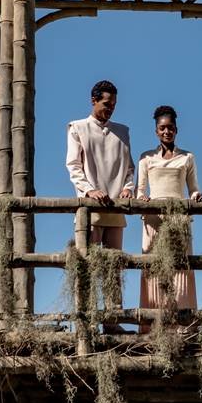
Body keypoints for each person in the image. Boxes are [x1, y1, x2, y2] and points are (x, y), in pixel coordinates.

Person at [66, 80, 135, 331]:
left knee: (114, 267)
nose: (111, 109)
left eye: (114, 105)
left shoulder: (123, 131)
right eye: (107, 104)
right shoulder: (77, 128)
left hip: (116, 207)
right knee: (88, 265)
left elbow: (129, 168)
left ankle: (112, 320)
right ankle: (86, 321)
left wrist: (128, 187)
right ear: (93, 100)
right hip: (90, 209)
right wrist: (89, 190)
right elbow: (73, 166)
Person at [136, 105, 202, 331]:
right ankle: (153, 326)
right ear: (156, 131)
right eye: (162, 128)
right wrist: (142, 199)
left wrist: (196, 195)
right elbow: (140, 190)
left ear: (177, 129)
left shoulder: (187, 157)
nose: (167, 132)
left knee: (181, 269)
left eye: (171, 128)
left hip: (178, 221)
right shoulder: (146, 158)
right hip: (153, 219)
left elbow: (193, 188)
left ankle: (183, 326)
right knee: (154, 268)